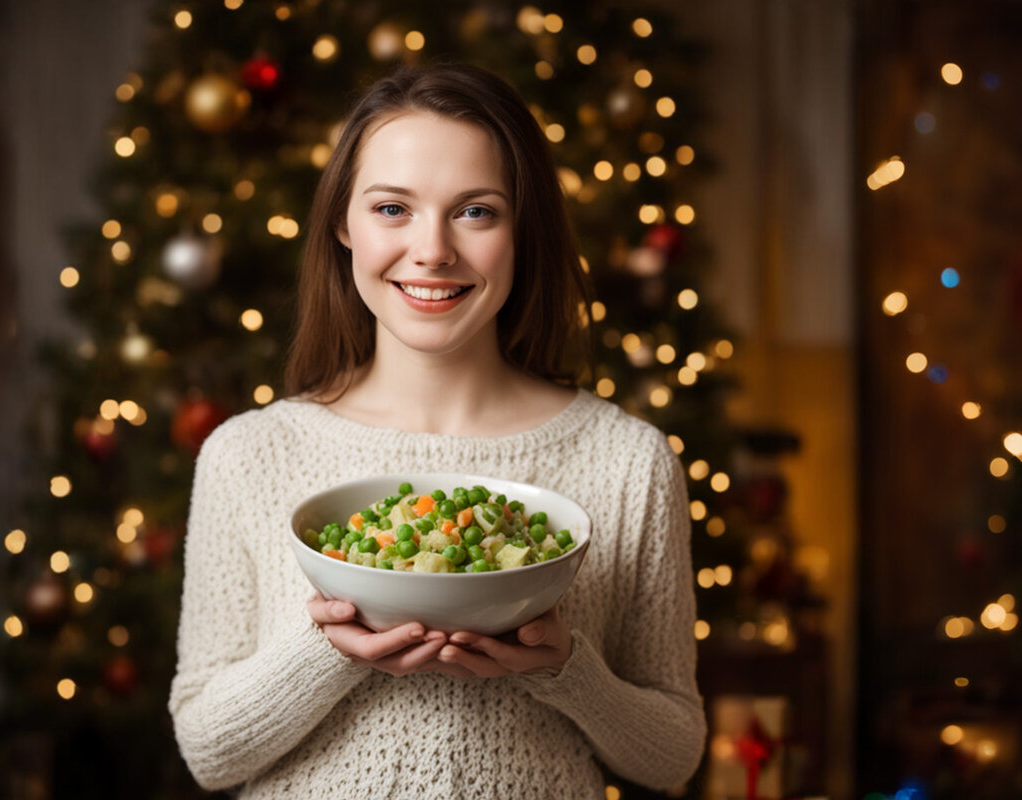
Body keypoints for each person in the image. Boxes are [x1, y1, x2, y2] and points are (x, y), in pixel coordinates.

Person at [169, 63, 705, 799]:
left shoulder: (627, 461)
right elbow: (207, 751)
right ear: (341, 223)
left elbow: (671, 753)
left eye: (476, 212)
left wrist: (565, 670)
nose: (432, 251)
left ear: (523, 230)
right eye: (392, 209)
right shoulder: (248, 455)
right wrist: (326, 649)